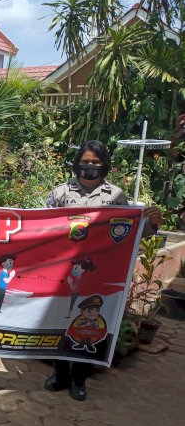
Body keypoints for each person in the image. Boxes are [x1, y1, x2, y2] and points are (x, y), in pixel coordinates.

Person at [44, 140, 164, 401]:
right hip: (65, 272)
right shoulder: (61, 192)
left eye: (96, 162)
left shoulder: (116, 196)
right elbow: (41, 227)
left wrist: (152, 224)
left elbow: (129, 234)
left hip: (99, 272)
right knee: (60, 321)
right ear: (77, 163)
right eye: (85, 161)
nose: (90, 166)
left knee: (90, 323)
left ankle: (79, 379)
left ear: (104, 165)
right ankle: (60, 373)